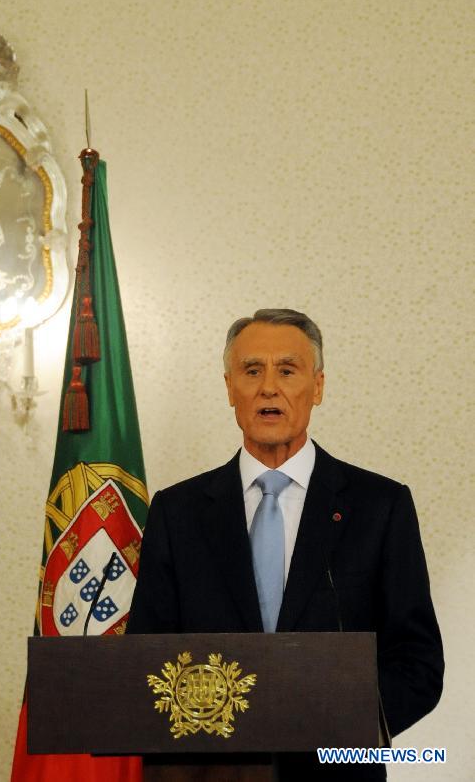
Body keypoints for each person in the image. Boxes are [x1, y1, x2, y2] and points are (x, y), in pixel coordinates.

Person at [127, 309, 444, 780]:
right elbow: (146, 657)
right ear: (230, 387)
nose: (269, 387)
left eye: (288, 371)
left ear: (317, 387)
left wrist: (339, 731)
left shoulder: (381, 506)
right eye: (252, 371)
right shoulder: (177, 511)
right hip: (207, 771)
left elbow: (416, 662)